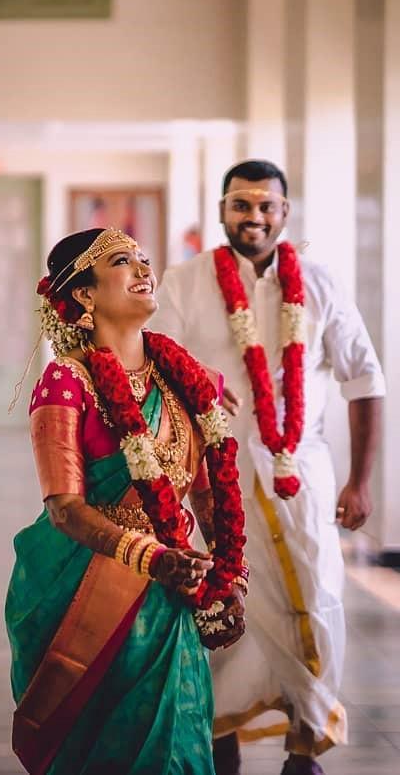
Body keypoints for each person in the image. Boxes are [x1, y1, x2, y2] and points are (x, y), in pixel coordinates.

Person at [149, 160, 385, 775]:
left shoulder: (321, 284)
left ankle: (304, 747)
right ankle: (220, 744)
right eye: (241, 204)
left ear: (284, 213)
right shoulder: (183, 282)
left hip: (301, 474)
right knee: (224, 606)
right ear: (222, 208)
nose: (253, 217)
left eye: (265, 206)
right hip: (212, 477)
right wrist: (194, 379)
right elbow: (151, 363)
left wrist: (361, 481)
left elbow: (365, 378)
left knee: (315, 598)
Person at [5, 227, 249, 775]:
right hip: (84, 586)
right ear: (84, 294)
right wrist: (153, 558)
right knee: (103, 746)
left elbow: (208, 497)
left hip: (172, 590)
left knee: (176, 741)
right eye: (123, 261)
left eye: (144, 258)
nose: (144, 269)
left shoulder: (183, 377)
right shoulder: (65, 383)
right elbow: (64, 507)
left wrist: (229, 579)